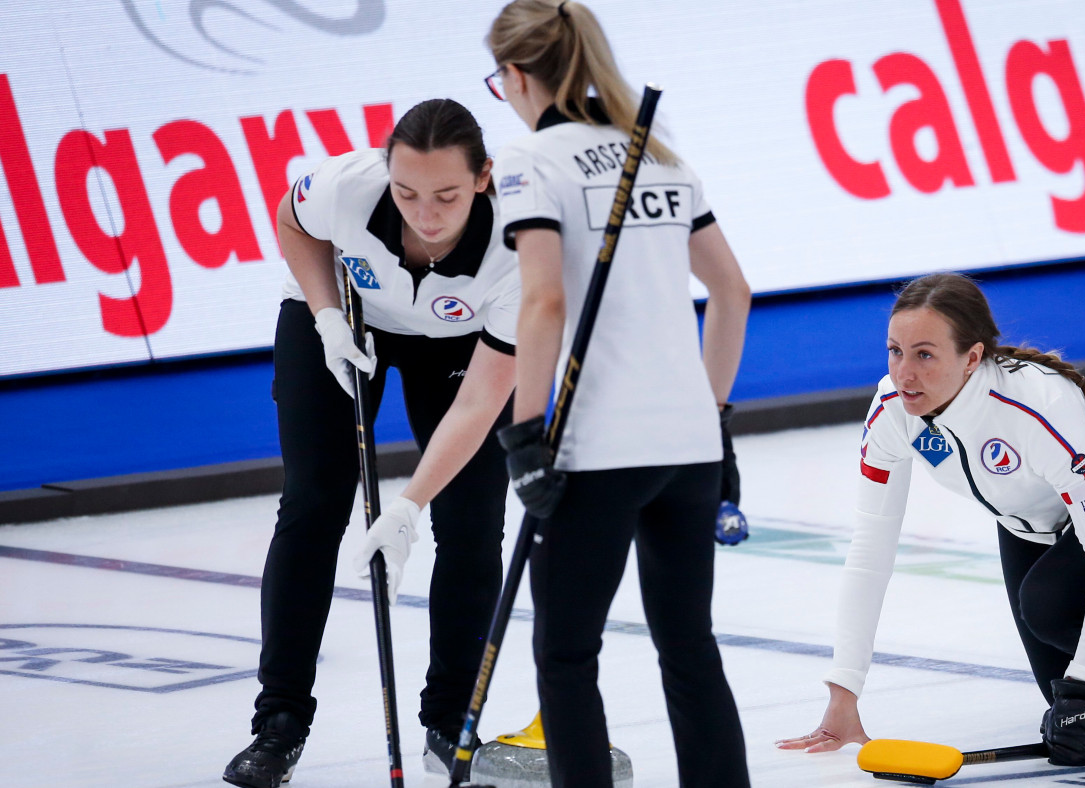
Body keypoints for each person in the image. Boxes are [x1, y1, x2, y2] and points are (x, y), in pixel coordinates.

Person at [482, 2, 752, 785]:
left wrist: (524, 434)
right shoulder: (659, 155)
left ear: (517, 75)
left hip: (595, 445)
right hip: (688, 444)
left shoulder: (531, 161)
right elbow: (732, 292)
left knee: (566, 655)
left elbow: (544, 302)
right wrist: (716, 419)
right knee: (689, 646)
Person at [223, 99, 520, 788]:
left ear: (483, 178)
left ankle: (451, 723)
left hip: (461, 344)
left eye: (447, 196)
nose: (426, 215)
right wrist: (327, 315)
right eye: (407, 193)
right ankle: (279, 721)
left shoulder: (518, 244)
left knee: (472, 521)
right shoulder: (347, 186)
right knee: (314, 502)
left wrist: (408, 506)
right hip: (346, 316)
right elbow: (292, 219)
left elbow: (481, 402)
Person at [777, 273, 1085, 767]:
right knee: (1055, 688)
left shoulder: (1036, 408)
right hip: (1031, 521)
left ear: (972, 357)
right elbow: (869, 553)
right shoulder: (891, 413)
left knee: (1048, 610)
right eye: (895, 351)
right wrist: (844, 693)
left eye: (924, 355)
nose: (904, 374)